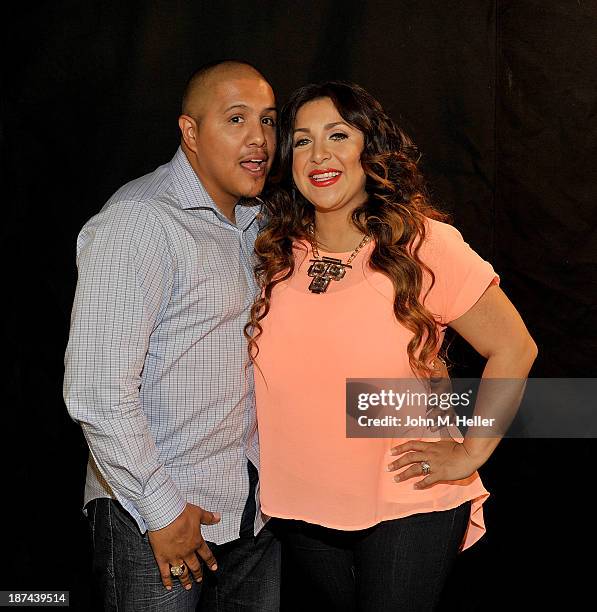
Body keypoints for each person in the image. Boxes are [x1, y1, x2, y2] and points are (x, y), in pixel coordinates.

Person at [246, 81, 538, 611]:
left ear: (369, 148)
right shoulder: (271, 250)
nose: (320, 155)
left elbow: (515, 348)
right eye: (303, 140)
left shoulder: (424, 244)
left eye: (338, 134)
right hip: (301, 501)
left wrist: (472, 451)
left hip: (407, 495)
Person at [63, 60, 280, 611]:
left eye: (269, 121)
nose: (259, 139)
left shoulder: (258, 222)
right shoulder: (140, 221)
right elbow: (97, 391)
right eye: (236, 119)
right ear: (190, 132)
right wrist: (162, 512)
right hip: (158, 519)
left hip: (250, 509)